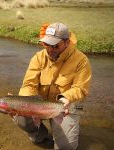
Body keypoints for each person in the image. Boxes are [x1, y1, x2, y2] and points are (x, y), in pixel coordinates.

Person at [13, 22, 92, 150]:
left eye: (55, 46)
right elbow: (29, 84)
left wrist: (65, 98)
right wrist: (23, 102)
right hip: (41, 103)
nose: (50, 49)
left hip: (66, 105)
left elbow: (80, 89)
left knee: (66, 147)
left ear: (67, 42)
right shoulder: (39, 57)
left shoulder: (82, 61)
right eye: (46, 44)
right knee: (20, 116)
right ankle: (39, 136)